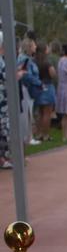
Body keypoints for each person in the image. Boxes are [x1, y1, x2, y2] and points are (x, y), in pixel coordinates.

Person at [16, 37, 41, 146]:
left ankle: (29, 136)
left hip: (28, 88)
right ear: (29, 47)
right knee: (28, 112)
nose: (36, 46)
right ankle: (28, 137)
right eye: (34, 45)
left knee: (29, 112)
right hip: (26, 88)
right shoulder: (24, 59)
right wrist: (38, 82)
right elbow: (26, 75)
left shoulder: (27, 58)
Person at [33, 41, 57, 141]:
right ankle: (45, 134)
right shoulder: (47, 62)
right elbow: (53, 74)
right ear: (45, 50)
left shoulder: (34, 61)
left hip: (38, 86)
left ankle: (38, 134)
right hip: (47, 86)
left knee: (40, 112)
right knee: (47, 113)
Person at [0, 32, 12, 169]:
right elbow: (5, 77)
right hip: (2, 101)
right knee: (4, 129)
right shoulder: (1, 60)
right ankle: (4, 158)